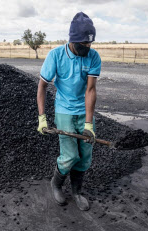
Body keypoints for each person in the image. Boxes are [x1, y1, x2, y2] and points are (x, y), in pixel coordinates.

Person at [36, 12, 101, 211]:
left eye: (90, 44)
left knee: (85, 156)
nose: (88, 48)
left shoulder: (93, 56)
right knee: (70, 155)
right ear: (73, 40)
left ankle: (77, 191)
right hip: (64, 110)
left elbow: (90, 90)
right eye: (84, 44)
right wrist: (42, 119)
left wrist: (88, 124)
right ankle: (55, 184)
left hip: (84, 112)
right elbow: (42, 87)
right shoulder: (55, 55)